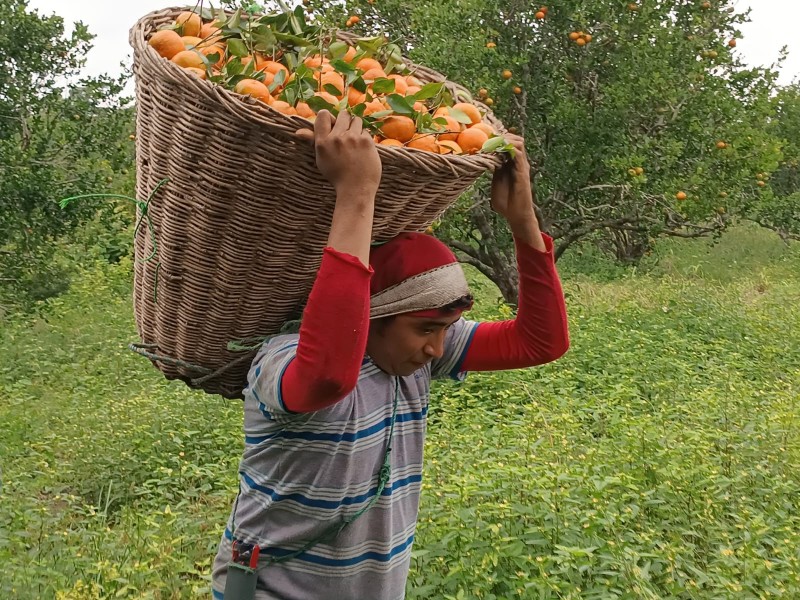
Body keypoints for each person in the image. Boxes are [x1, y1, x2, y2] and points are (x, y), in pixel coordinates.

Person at [211, 110, 570, 600]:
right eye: (425, 328)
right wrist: (356, 194)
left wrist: (524, 222)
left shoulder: (413, 357)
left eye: (445, 329)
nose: (437, 348)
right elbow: (327, 379)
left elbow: (540, 342)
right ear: (372, 315)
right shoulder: (281, 359)